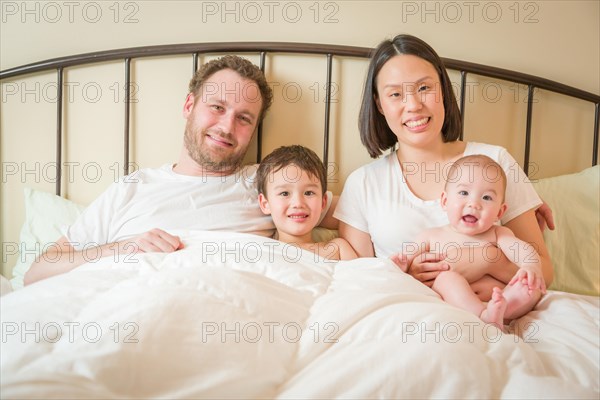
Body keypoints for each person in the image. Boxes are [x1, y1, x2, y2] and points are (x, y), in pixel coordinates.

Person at [25, 55, 337, 285]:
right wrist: (121, 248)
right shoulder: (132, 189)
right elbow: (37, 274)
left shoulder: (271, 184)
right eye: (216, 107)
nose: (226, 126)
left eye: (244, 118)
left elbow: (356, 213)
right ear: (189, 106)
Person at [334, 34, 553, 320]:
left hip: (505, 308)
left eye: (424, 87)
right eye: (395, 94)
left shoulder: (495, 163)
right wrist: (410, 276)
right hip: (414, 317)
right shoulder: (363, 184)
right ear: (378, 104)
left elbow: (543, 272)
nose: (413, 105)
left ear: (443, 91)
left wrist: (487, 261)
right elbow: (363, 283)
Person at [402, 155, 545, 328]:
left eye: (486, 198)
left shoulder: (499, 234)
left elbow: (521, 250)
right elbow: (404, 258)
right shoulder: (431, 235)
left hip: (501, 299)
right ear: (445, 201)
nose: (474, 204)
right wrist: (400, 264)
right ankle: (484, 316)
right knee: (445, 279)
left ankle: (501, 312)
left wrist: (531, 266)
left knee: (530, 286)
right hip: (459, 305)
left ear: (500, 212)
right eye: (463, 193)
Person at [257, 145, 357, 261]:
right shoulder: (260, 252)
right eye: (284, 193)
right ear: (265, 204)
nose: (298, 203)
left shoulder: (337, 249)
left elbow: (359, 277)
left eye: (309, 193)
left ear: (323, 202)